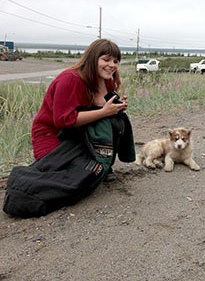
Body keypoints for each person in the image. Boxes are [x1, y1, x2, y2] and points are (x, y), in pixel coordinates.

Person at [4, 39, 135, 217]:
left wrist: (114, 107)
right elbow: (63, 120)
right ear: (92, 58)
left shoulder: (105, 79)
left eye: (115, 61)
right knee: (64, 175)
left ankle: (103, 165)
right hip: (52, 133)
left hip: (79, 131)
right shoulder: (70, 79)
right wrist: (104, 111)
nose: (111, 65)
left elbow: (101, 106)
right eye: (106, 59)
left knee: (116, 120)